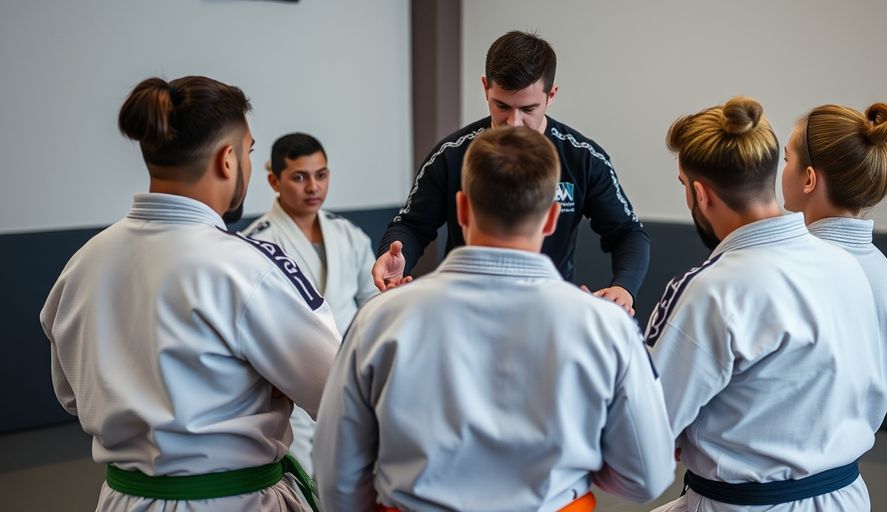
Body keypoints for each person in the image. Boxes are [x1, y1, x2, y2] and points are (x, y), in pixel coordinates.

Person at [313, 126, 675, 511]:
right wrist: (584, 463)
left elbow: (336, 474)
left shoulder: (379, 320)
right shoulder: (605, 327)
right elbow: (646, 477)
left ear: (463, 208)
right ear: (552, 218)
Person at [40, 76, 340, 512]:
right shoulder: (249, 267)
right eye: (250, 151)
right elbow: (337, 391)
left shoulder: (82, 263)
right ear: (228, 160)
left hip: (123, 499)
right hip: (233, 502)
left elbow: (73, 395)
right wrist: (268, 384)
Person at [646, 97, 881, 511]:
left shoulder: (712, 290)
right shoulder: (846, 264)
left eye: (684, 186)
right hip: (847, 498)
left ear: (701, 194)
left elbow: (645, 436)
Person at [373, 30, 648, 315]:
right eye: (501, 106)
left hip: (550, 310)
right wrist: (396, 254)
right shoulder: (451, 155)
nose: (514, 123)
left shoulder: (583, 159)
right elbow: (412, 225)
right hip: (464, 306)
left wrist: (624, 287)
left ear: (551, 95)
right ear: (485, 88)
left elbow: (627, 232)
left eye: (528, 108)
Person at [780, 102, 887, 431]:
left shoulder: (791, 271)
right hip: (847, 474)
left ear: (808, 179)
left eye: (787, 159)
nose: (782, 170)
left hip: (772, 475)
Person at [242, 133, 378, 474]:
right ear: (274, 180)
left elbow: (372, 302)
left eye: (321, 175)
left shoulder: (347, 234)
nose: (313, 187)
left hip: (351, 378)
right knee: (305, 485)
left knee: (355, 480)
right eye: (299, 177)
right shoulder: (257, 243)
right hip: (291, 392)